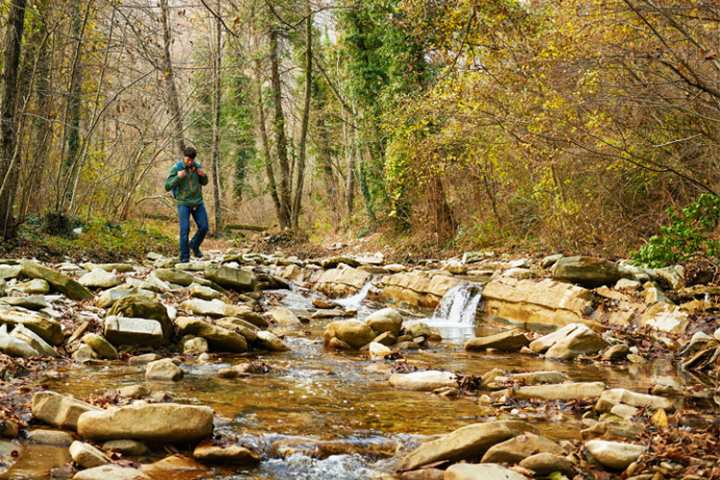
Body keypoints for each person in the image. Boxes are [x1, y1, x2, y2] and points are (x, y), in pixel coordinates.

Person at [164, 146, 209, 262]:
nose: (189, 162)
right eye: (187, 160)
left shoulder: (197, 166)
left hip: (197, 202)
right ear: (184, 157)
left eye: (191, 160)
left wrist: (203, 175)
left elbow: (204, 183)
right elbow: (167, 186)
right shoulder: (176, 168)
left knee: (204, 227)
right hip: (183, 203)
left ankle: (194, 245)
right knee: (185, 230)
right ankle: (184, 258)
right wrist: (178, 178)